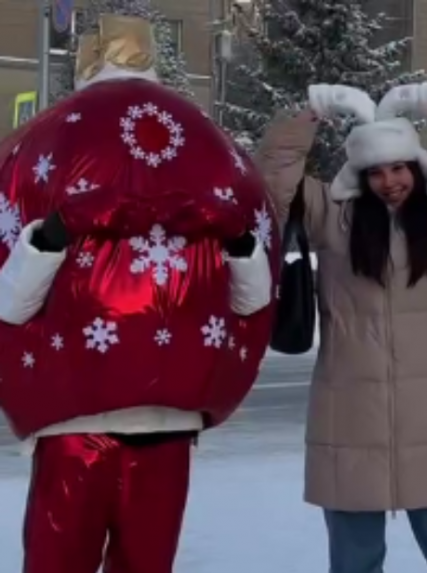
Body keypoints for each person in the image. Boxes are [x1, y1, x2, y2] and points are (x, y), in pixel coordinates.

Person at [0, 15, 278, 573]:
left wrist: (234, 237)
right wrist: (55, 234)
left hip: (86, 425)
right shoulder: (209, 145)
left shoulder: (41, 143)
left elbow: (10, 304)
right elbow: (254, 301)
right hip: (144, 422)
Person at [255, 81, 427, 573]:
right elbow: (272, 175)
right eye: (375, 172)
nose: (390, 181)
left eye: (399, 167)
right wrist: (309, 112)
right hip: (351, 420)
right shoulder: (333, 217)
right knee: (354, 565)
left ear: (417, 165)